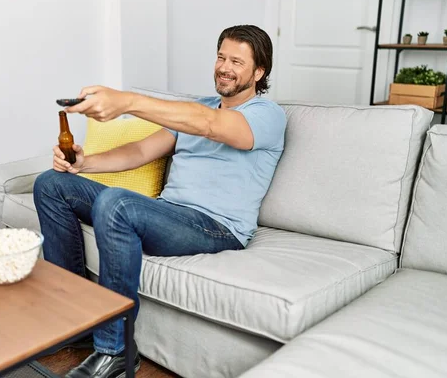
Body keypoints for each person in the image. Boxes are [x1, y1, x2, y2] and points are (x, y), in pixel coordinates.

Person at [33, 24, 287, 378]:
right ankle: (75, 323)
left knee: (117, 204)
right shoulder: (199, 107)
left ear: (259, 72)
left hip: (216, 228)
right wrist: (83, 163)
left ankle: (117, 350)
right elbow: (140, 150)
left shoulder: (268, 115)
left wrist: (129, 101)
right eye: (221, 57)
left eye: (237, 62)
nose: (224, 67)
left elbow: (213, 125)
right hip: (170, 215)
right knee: (51, 183)